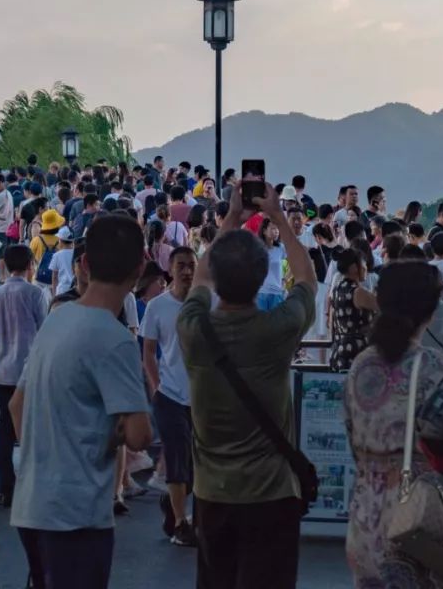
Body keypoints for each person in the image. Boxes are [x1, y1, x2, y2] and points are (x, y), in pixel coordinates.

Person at [176, 182, 316, 589]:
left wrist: (231, 220)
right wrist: (279, 220)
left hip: (213, 495)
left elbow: (201, 276)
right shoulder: (278, 328)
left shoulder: (193, 328)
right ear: (263, 276)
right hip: (272, 496)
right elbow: (306, 278)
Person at [9, 214, 153, 588]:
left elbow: (16, 405)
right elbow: (139, 434)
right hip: (78, 512)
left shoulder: (57, 319)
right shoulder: (116, 338)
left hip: (32, 503)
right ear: (140, 267)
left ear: (84, 264)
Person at [344, 261, 443, 586]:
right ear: (429, 311)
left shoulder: (360, 365)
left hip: (365, 518)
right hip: (416, 522)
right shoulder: (433, 366)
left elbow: (352, 440)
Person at [141, 247, 198, 547]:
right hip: (170, 395)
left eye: (192, 265)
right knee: (177, 460)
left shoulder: (207, 303)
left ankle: (174, 504)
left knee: (197, 466)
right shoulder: (157, 307)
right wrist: (156, 386)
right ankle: (180, 523)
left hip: (202, 398)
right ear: (170, 269)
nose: (187, 271)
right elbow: (149, 351)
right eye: (181, 266)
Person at [0, 243, 49, 507]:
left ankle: (8, 488)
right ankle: (34, 485)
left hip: (3, 370)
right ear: (31, 265)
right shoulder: (36, 293)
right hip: (31, 371)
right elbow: (45, 331)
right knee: (33, 430)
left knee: (5, 431)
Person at [329, 249, 378, 372]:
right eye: (363, 264)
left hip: (340, 351)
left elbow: (332, 323)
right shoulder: (358, 292)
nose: (366, 267)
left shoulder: (337, 289)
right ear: (353, 268)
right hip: (358, 352)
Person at [256, 217, 288, 311]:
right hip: (260, 292)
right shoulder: (256, 248)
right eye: (273, 228)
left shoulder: (281, 248)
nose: (276, 231)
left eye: (277, 228)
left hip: (277, 292)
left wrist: (285, 279)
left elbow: (292, 263)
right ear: (264, 231)